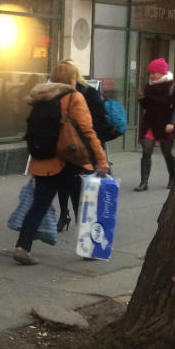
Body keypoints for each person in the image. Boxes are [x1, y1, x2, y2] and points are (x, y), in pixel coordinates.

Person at [12, 61, 109, 266]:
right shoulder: (74, 97)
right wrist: (101, 160)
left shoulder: (40, 97)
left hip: (43, 160)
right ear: (72, 78)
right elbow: (87, 131)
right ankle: (88, 249)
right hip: (70, 160)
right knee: (82, 206)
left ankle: (22, 247)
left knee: (39, 205)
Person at [56, 59, 108, 232]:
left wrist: (97, 154)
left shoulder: (88, 93)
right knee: (64, 187)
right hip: (65, 149)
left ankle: (84, 231)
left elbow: (96, 125)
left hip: (83, 150)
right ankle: (65, 215)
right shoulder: (58, 94)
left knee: (79, 192)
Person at [134, 57, 175, 191]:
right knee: (146, 150)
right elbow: (146, 106)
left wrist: (172, 123)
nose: (152, 76)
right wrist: (141, 99)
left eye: (154, 73)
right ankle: (143, 182)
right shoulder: (148, 86)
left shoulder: (172, 86)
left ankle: (172, 177)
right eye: (150, 73)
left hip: (166, 124)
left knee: (167, 152)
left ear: (163, 72)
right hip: (149, 123)